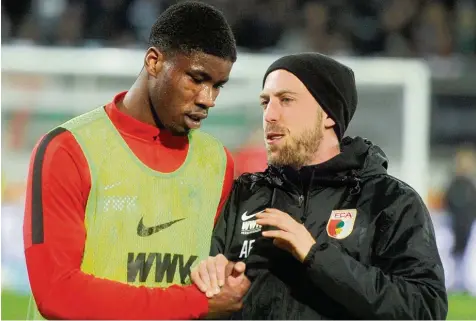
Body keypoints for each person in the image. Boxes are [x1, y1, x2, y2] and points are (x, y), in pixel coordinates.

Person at [22, 2, 249, 320]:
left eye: (217, 86)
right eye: (197, 79)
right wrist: (192, 304)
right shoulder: (68, 150)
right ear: (154, 61)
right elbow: (57, 293)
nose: (207, 99)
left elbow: (214, 280)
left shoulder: (218, 162)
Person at [191, 53, 448, 319]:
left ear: (328, 113)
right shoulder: (245, 194)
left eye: (286, 100)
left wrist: (316, 255)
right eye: (265, 102)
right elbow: (208, 290)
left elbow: (424, 308)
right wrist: (211, 280)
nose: (269, 115)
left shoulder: (389, 201)